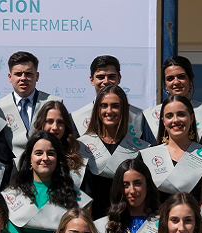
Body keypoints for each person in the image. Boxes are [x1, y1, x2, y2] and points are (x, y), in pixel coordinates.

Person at [77, 86, 148, 219]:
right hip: (94, 220)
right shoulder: (82, 146)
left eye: (115, 106)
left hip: (128, 220)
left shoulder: (137, 148)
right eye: (104, 106)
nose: (109, 111)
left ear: (123, 110)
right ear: (97, 110)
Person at [0, 51, 61, 162]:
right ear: (10, 77)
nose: (23, 78)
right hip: (13, 174)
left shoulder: (54, 103)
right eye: (18, 74)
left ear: (36, 76)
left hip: (47, 167)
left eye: (28, 74)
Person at [140, 95, 202, 197]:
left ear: (191, 118)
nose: (175, 120)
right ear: (163, 121)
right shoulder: (147, 156)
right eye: (169, 116)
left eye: (181, 114)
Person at [144, 56, 202, 154]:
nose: (176, 82)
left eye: (181, 77)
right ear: (165, 83)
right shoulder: (151, 116)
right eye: (170, 78)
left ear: (190, 79)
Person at [71, 56, 147, 140]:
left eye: (111, 77)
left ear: (119, 78)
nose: (106, 81)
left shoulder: (140, 117)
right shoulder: (77, 118)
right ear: (92, 80)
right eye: (100, 77)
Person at [32, 100, 85, 184]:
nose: (55, 127)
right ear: (41, 123)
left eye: (60, 122)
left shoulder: (77, 157)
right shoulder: (30, 154)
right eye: (49, 121)